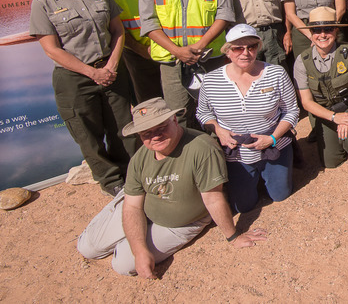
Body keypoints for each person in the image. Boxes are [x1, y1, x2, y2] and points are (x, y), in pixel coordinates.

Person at [76, 98, 267, 278]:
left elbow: (213, 198)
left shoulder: (201, 148)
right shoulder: (141, 157)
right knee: (87, 248)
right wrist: (140, 249)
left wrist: (233, 237)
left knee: (123, 265)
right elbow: (133, 206)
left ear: (174, 120)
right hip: (144, 207)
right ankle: (119, 211)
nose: (155, 136)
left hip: (180, 223)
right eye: (146, 133)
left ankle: (126, 239)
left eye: (161, 128)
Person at [30, 0, 134, 197]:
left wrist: (110, 65)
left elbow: (117, 30)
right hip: (75, 78)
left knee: (122, 127)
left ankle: (129, 170)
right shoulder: (44, 3)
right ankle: (110, 180)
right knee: (88, 134)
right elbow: (51, 49)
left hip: (110, 71)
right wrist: (92, 72)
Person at [196, 25, 299, 213]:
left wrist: (272, 138)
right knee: (243, 206)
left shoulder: (276, 73)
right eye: (238, 48)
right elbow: (203, 113)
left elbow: (291, 110)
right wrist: (218, 130)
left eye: (251, 47)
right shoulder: (211, 81)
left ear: (258, 48)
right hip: (237, 152)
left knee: (280, 195)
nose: (246, 53)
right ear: (227, 51)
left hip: (274, 145)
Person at [138, 0, 234, 120]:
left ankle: (216, 148)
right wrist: (177, 51)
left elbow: (224, 15)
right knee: (178, 113)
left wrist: (199, 46)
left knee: (217, 111)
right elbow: (148, 22)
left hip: (209, 58)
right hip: (171, 61)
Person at [292, 7, 348, 206]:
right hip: (327, 113)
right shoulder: (302, 61)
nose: (323, 35)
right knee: (331, 161)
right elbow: (306, 102)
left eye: (328, 29)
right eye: (317, 30)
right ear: (311, 33)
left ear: (336, 31)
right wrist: (334, 117)